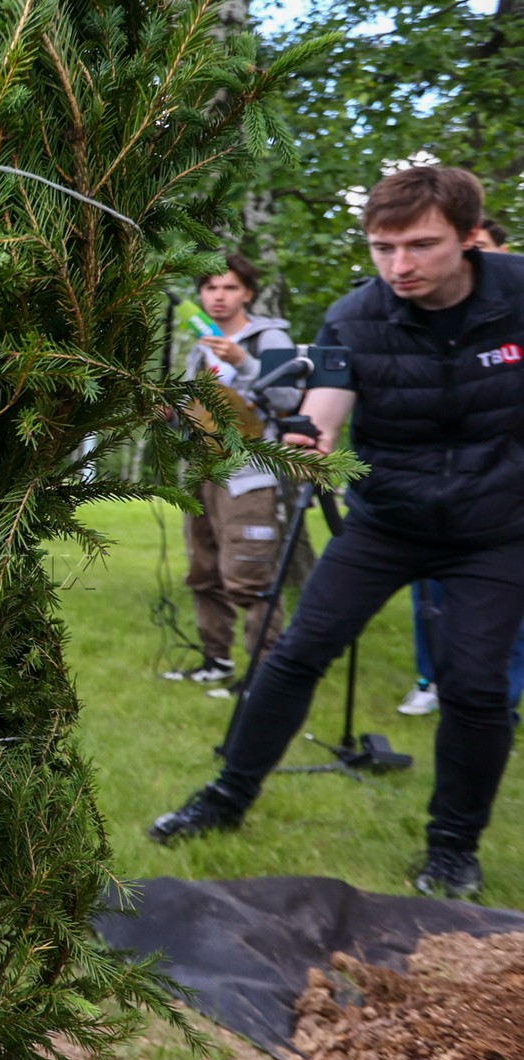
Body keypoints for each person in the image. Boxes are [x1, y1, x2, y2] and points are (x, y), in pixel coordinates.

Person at [150, 167, 524, 902]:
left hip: (497, 528)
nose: (399, 267)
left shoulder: (519, 295)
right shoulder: (354, 317)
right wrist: (309, 441)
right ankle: (225, 797)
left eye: (420, 246)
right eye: (382, 248)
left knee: (476, 687)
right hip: (386, 518)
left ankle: (452, 848)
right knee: (293, 654)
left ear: (467, 237)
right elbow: (321, 410)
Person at [401, 213, 523, 718]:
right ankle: (430, 677)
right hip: (434, 489)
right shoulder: (424, 320)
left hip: (505, 498)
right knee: (428, 590)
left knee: (504, 604)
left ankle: (501, 690)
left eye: (484, 251)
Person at [160, 254, 298, 692]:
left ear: (248, 293)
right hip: (204, 471)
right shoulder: (200, 344)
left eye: (230, 288)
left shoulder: (270, 337)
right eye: (210, 288)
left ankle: (264, 675)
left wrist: (244, 360)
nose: (218, 297)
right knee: (204, 572)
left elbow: (289, 398)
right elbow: (197, 412)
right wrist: (169, 413)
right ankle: (215, 660)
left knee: (250, 577)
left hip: (251, 473)